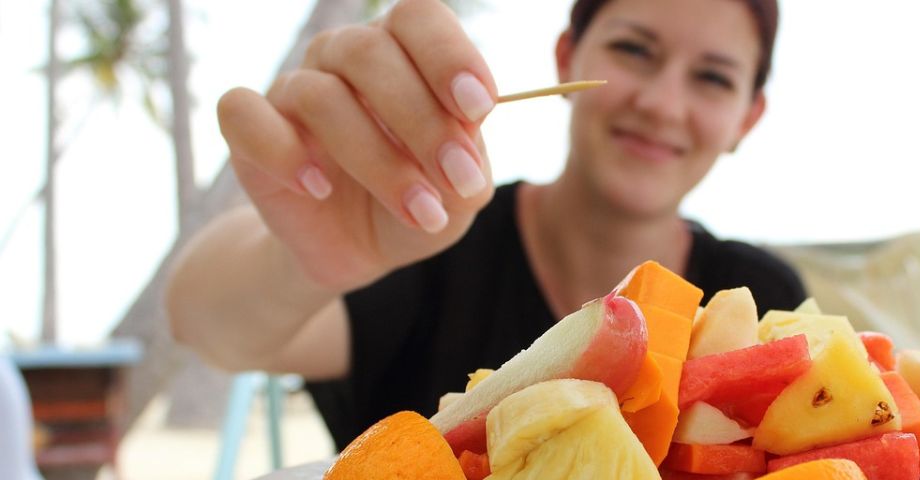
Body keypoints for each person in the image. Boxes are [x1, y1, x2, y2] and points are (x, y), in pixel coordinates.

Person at [167, 0, 805, 451]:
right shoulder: (426, 237)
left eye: (713, 78)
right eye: (634, 50)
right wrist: (302, 260)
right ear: (566, 57)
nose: (663, 103)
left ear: (747, 119)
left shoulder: (759, 298)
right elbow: (203, 325)